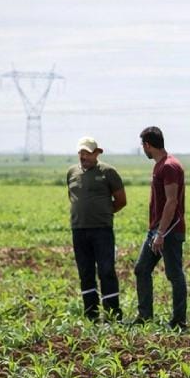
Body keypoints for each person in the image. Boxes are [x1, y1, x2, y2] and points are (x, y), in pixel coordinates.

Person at [133, 126, 188, 329]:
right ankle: (145, 317)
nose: (143, 150)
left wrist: (161, 233)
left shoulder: (169, 166)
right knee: (141, 269)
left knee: (174, 275)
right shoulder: (160, 165)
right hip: (157, 230)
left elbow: (171, 202)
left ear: (148, 145)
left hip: (169, 231)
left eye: (143, 146)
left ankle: (179, 322)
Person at [66, 136, 126, 321]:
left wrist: (104, 214)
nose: (83, 156)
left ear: (97, 153)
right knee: (85, 272)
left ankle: (112, 315)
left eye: (87, 152)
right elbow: (73, 197)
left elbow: (121, 200)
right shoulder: (72, 173)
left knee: (106, 270)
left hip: (102, 230)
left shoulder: (108, 172)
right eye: (81, 152)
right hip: (79, 230)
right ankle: (91, 314)